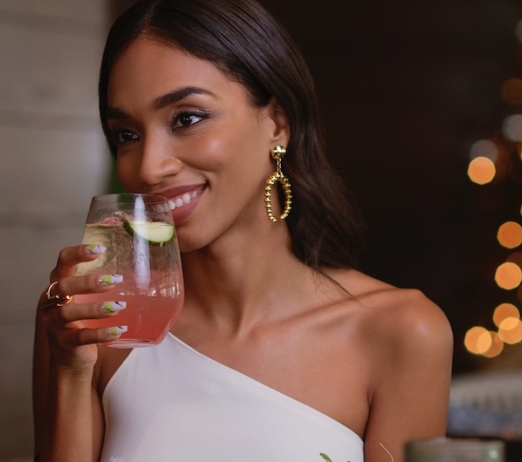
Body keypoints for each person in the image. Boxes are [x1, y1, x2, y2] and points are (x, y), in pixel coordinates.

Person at [32, 1, 453, 461]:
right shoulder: (93, 320)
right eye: (127, 135)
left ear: (277, 123)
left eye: (187, 118)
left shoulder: (401, 332)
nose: (149, 168)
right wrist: (70, 371)